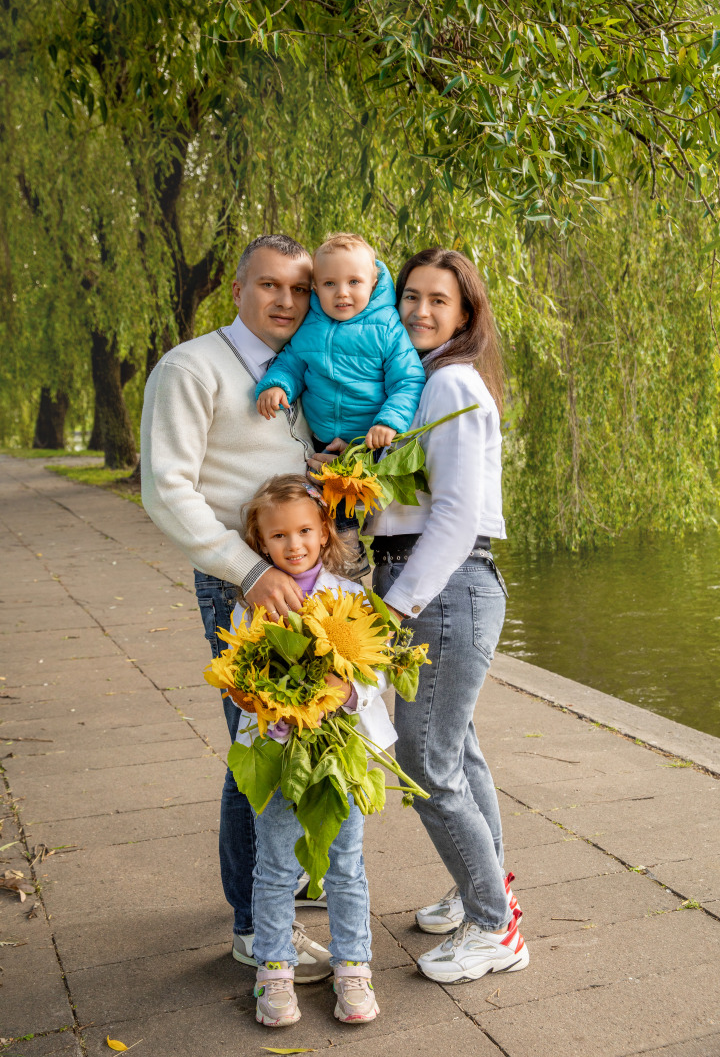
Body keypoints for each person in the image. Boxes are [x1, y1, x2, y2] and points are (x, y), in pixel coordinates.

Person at [141, 234, 337, 982]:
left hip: (297, 578)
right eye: (270, 286)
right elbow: (167, 488)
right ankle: (256, 926)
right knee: (258, 746)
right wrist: (248, 571)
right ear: (236, 287)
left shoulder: (299, 369)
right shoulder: (192, 367)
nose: (286, 301)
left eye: (298, 289)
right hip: (241, 583)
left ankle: (278, 881)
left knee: (297, 733)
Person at [367, 247, 529, 983]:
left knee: (425, 756)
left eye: (439, 300)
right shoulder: (424, 383)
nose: (420, 311)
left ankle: (494, 928)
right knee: (455, 748)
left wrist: (391, 607)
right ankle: (483, 890)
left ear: (465, 314)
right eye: (410, 297)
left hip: (444, 584)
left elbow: (458, 515)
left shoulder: (453, 382)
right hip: (435, 581)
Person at [234, 474, 396, 1027]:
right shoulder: (252, 605)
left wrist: (346, 691)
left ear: (325, 531)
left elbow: (374, 672)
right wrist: (271, 709)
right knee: (275, 864)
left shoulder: (350, 597)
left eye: (304, 530)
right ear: (259, 542)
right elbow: (242, 676)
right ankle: (273, 971)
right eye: (278, 536)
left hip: (339, 751)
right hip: (279, 753)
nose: (294, 544)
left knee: (345, 863)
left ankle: (354, 965)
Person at [255, 233, 426, 573]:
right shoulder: (311, 326)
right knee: (321, 503)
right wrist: (277, 385)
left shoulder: (387, 327)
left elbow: (407, 380)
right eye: (330, 283)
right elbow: (292, 362)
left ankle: (353, 562)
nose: (342, 293)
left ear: (374, 282)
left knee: (351, 502)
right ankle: (332, 566)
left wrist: (388, 422)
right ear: (316, 287)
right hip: (322, 438)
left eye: (353, 282)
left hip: (367, 439)